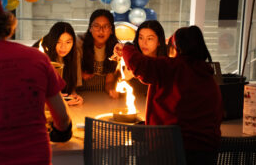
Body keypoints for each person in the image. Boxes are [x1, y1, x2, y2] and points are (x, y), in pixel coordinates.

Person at [0, 0, 72, 165]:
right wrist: (60, 133)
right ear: (4, 20)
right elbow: (62, 118)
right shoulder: (38, 58)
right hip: (36, 158)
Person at [113, 25, 223, 165]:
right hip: (206, 154)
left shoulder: (173, 66)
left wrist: (126, 47)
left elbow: (140, 65)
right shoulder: (208, 77)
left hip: (171, 151)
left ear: (176, 48)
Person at [33, 22, 83, 105]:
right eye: (58, 42)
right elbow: (33, 91)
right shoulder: (41, 53)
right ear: (52, 40)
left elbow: (72, 85)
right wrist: (57, 102)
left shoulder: (74, 54)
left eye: (68, 42)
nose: (63, 47)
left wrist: (74, 96)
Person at [77, 9, 119, 98]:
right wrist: (80, 73)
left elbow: (109, 81)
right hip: (81, 95)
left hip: (102, 96)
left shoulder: (115, 49)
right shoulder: (79, 44)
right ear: (90, 28)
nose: (101, 31)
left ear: (111, 30)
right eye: (96, 26)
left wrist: (112, 90)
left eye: (106, 26)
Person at [121, 20, 167, 96]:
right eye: (141, 38)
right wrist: (125, 78)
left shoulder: (166, 63)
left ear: (159, 41)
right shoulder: (131, 59)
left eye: (149, 39)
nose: (144, 43)